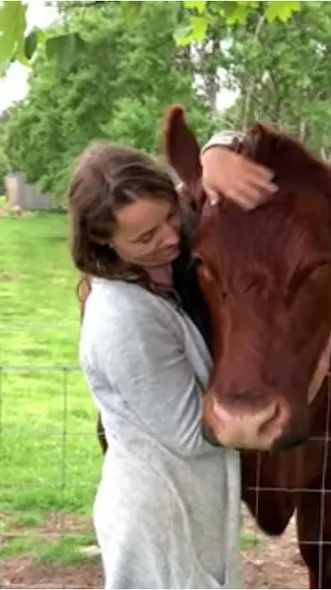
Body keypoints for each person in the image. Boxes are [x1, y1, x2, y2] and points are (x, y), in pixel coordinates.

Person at [71, 130, 276, 588]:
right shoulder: (124, 317)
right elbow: (189, 434)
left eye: (170, 217)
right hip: (159, 515)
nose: (170, 238)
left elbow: (236, 155)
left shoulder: (162, 275)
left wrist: (217, 152)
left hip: (190, 501)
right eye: (145, 236)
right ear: (103, 240)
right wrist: (263, 417)